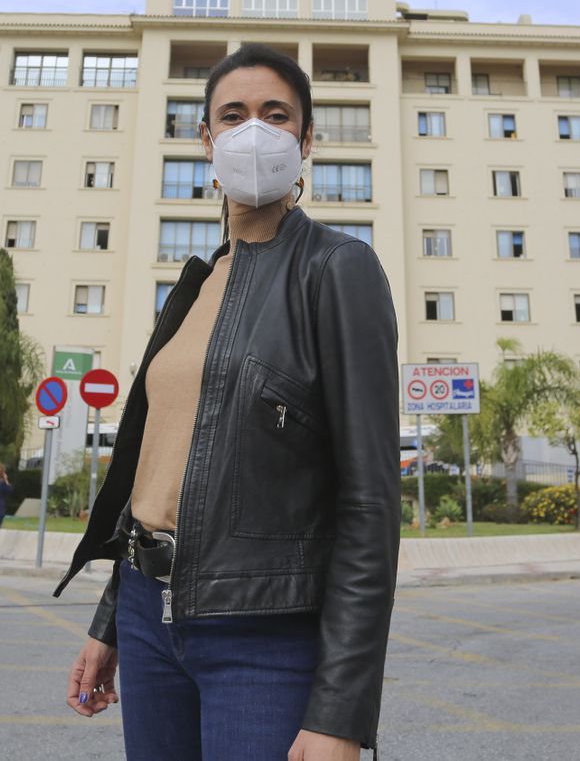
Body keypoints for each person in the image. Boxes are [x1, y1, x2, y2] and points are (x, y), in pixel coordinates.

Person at [56, 44, 400, 761]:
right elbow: (155, 478)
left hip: (264, 637)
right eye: (233, 115)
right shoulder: (194, 285)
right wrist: (111, 623)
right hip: (150, 620)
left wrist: (340, 711)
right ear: (205, 139)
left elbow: (369, 504)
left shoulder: (337, 270)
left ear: (306, 141)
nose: (255, 132)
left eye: (276, 116)